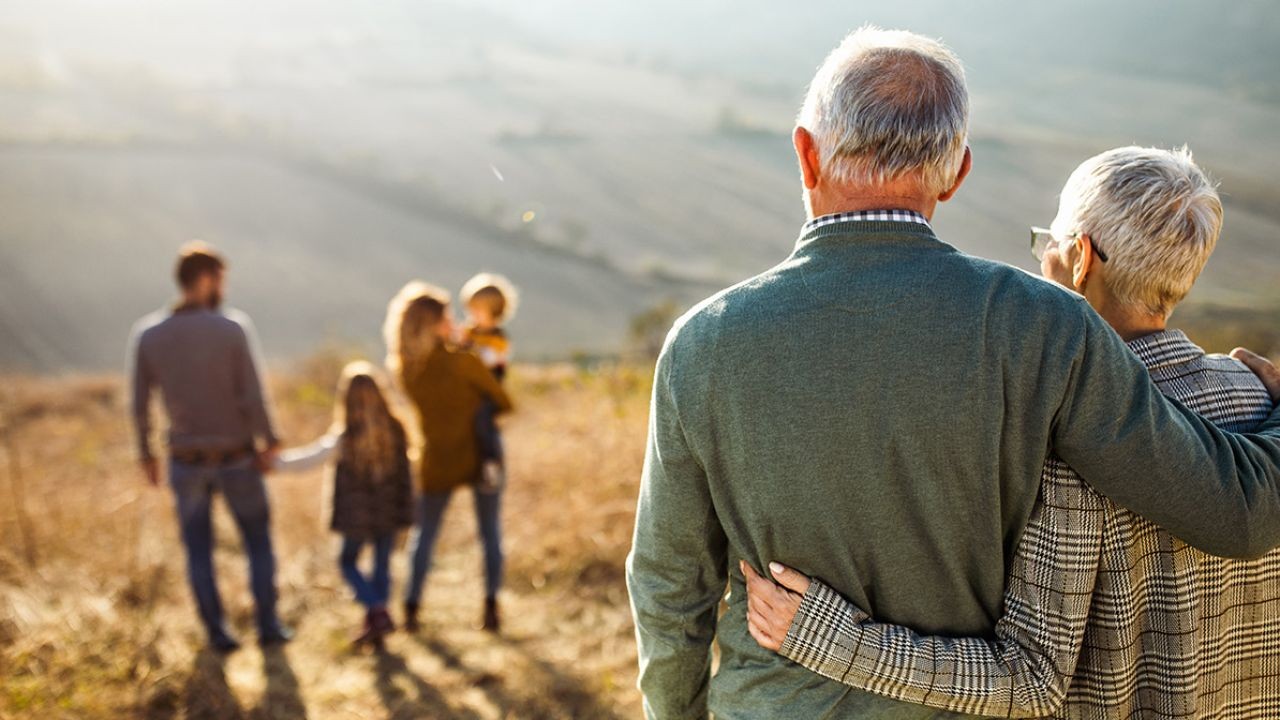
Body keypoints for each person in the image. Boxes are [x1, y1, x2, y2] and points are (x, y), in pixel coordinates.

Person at [624, 26, 1280, 719]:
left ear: (805, 154)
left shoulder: (705, 342)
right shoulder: (1045, 325)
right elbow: (1230, 511)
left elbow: (669, 591)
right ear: (958, 170)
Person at [742, 146, 1280, 718]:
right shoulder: (1256, 395)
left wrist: (833, 640)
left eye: (1046, 242)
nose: (1039, 260)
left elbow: (1030, 680)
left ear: (1080, 258)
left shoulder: (1065, 434)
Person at [129, 241, 291, 652]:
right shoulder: (231, 328)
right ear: (205, 279)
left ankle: (218, 633)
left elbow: (139, 402)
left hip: (184, 460)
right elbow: (252, 395)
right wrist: (270, 440)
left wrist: (146, 454)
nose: (224, 288)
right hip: (236, 456)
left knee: (198, 550)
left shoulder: (149, 334)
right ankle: (268, 625)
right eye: (221, 279)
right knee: (257, 541)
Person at [384, 281, 514, 633]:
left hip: (436, 456)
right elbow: (503, 400)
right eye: (447, 316)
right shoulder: (463, 362)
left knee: (424, 534)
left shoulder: (406, 370)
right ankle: (490, 607)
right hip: (481, 453)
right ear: (435, 323)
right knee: (490, 532)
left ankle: (411, 608)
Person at [275, 361, 413, 648]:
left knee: (347, 562)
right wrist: (407, 509)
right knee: (381, 567)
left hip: (356, 517)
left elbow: (310, 458)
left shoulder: (345, 435)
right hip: (388, 512)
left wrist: (273, 463)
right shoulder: (396, 429)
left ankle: (376, 611)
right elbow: (407, 476)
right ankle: (377, 619)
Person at [458, 272, 519, 493]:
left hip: (489, 393)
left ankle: (491, 462)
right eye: (470, 309)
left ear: (494, 312)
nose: (472, 315)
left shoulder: (498, 339)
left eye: (477, 310)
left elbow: (489, 361)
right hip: (470, 392)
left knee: (484, 422)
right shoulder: (469, 332)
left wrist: (468, 348)